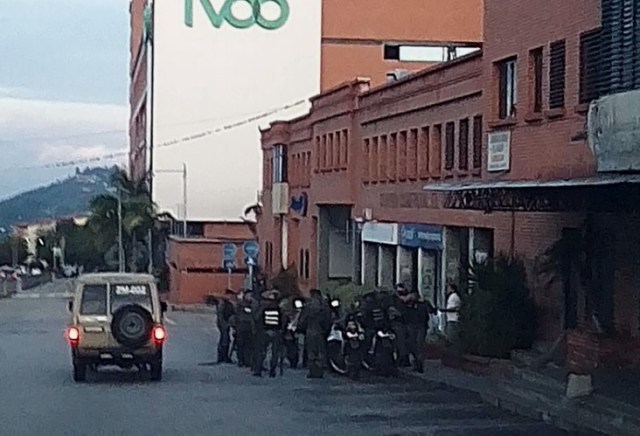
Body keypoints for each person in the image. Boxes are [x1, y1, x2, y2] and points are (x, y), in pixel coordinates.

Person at [298, 289, 332, 379]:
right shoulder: (325, 307)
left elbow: (302, 320)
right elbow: (328, 320)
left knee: (311, 353)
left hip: (310, 331)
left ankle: (313, 372)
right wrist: (325, 330)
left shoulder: (308, 306)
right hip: (320, 332)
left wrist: (300, 329)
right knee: (320, 352)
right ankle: (320, 372)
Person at [252, 289, 283, 377]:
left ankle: (259, 369)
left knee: (262, 351)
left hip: (264, 332)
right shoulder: (279, 309)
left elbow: (257, 319)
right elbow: (282, 321)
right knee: (274, 352)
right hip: (275, 332)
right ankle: (272, 370)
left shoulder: (263, 309)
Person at [402, 290, 432, 373]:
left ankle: (419, 364)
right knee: (411, 345)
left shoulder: (424, 304)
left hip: (421, 326)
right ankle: (416, 360)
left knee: (419, 345)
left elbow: (431, 310)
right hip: (411, 325)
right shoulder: (407, 304)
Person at [235, 290, 254, 368]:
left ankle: (247, 360)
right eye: (249, 295)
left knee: (248, 345)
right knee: (241, 344)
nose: (250, 297)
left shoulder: (252, 304)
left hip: (249, 327)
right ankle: (241, 360)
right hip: (242, 327)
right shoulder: (241, 305)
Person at [216, 289, 237, 364]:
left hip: (226, 323)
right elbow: (220, 315)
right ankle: (222, 357)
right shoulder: (222, 303)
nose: (231, 297)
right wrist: (224, 324)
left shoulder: (228, 303)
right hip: (223, 324)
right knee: (224, 340)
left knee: (226, 339)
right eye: (230, 295)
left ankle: (223, 356)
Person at [441, 283, 462, 354]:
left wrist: (443, 310)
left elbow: (453, 308)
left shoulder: (453, 297)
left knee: (451, 338)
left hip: (453, 319)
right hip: (451, 319)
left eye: (448, 288)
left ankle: (453, 352)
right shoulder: (453, 296)